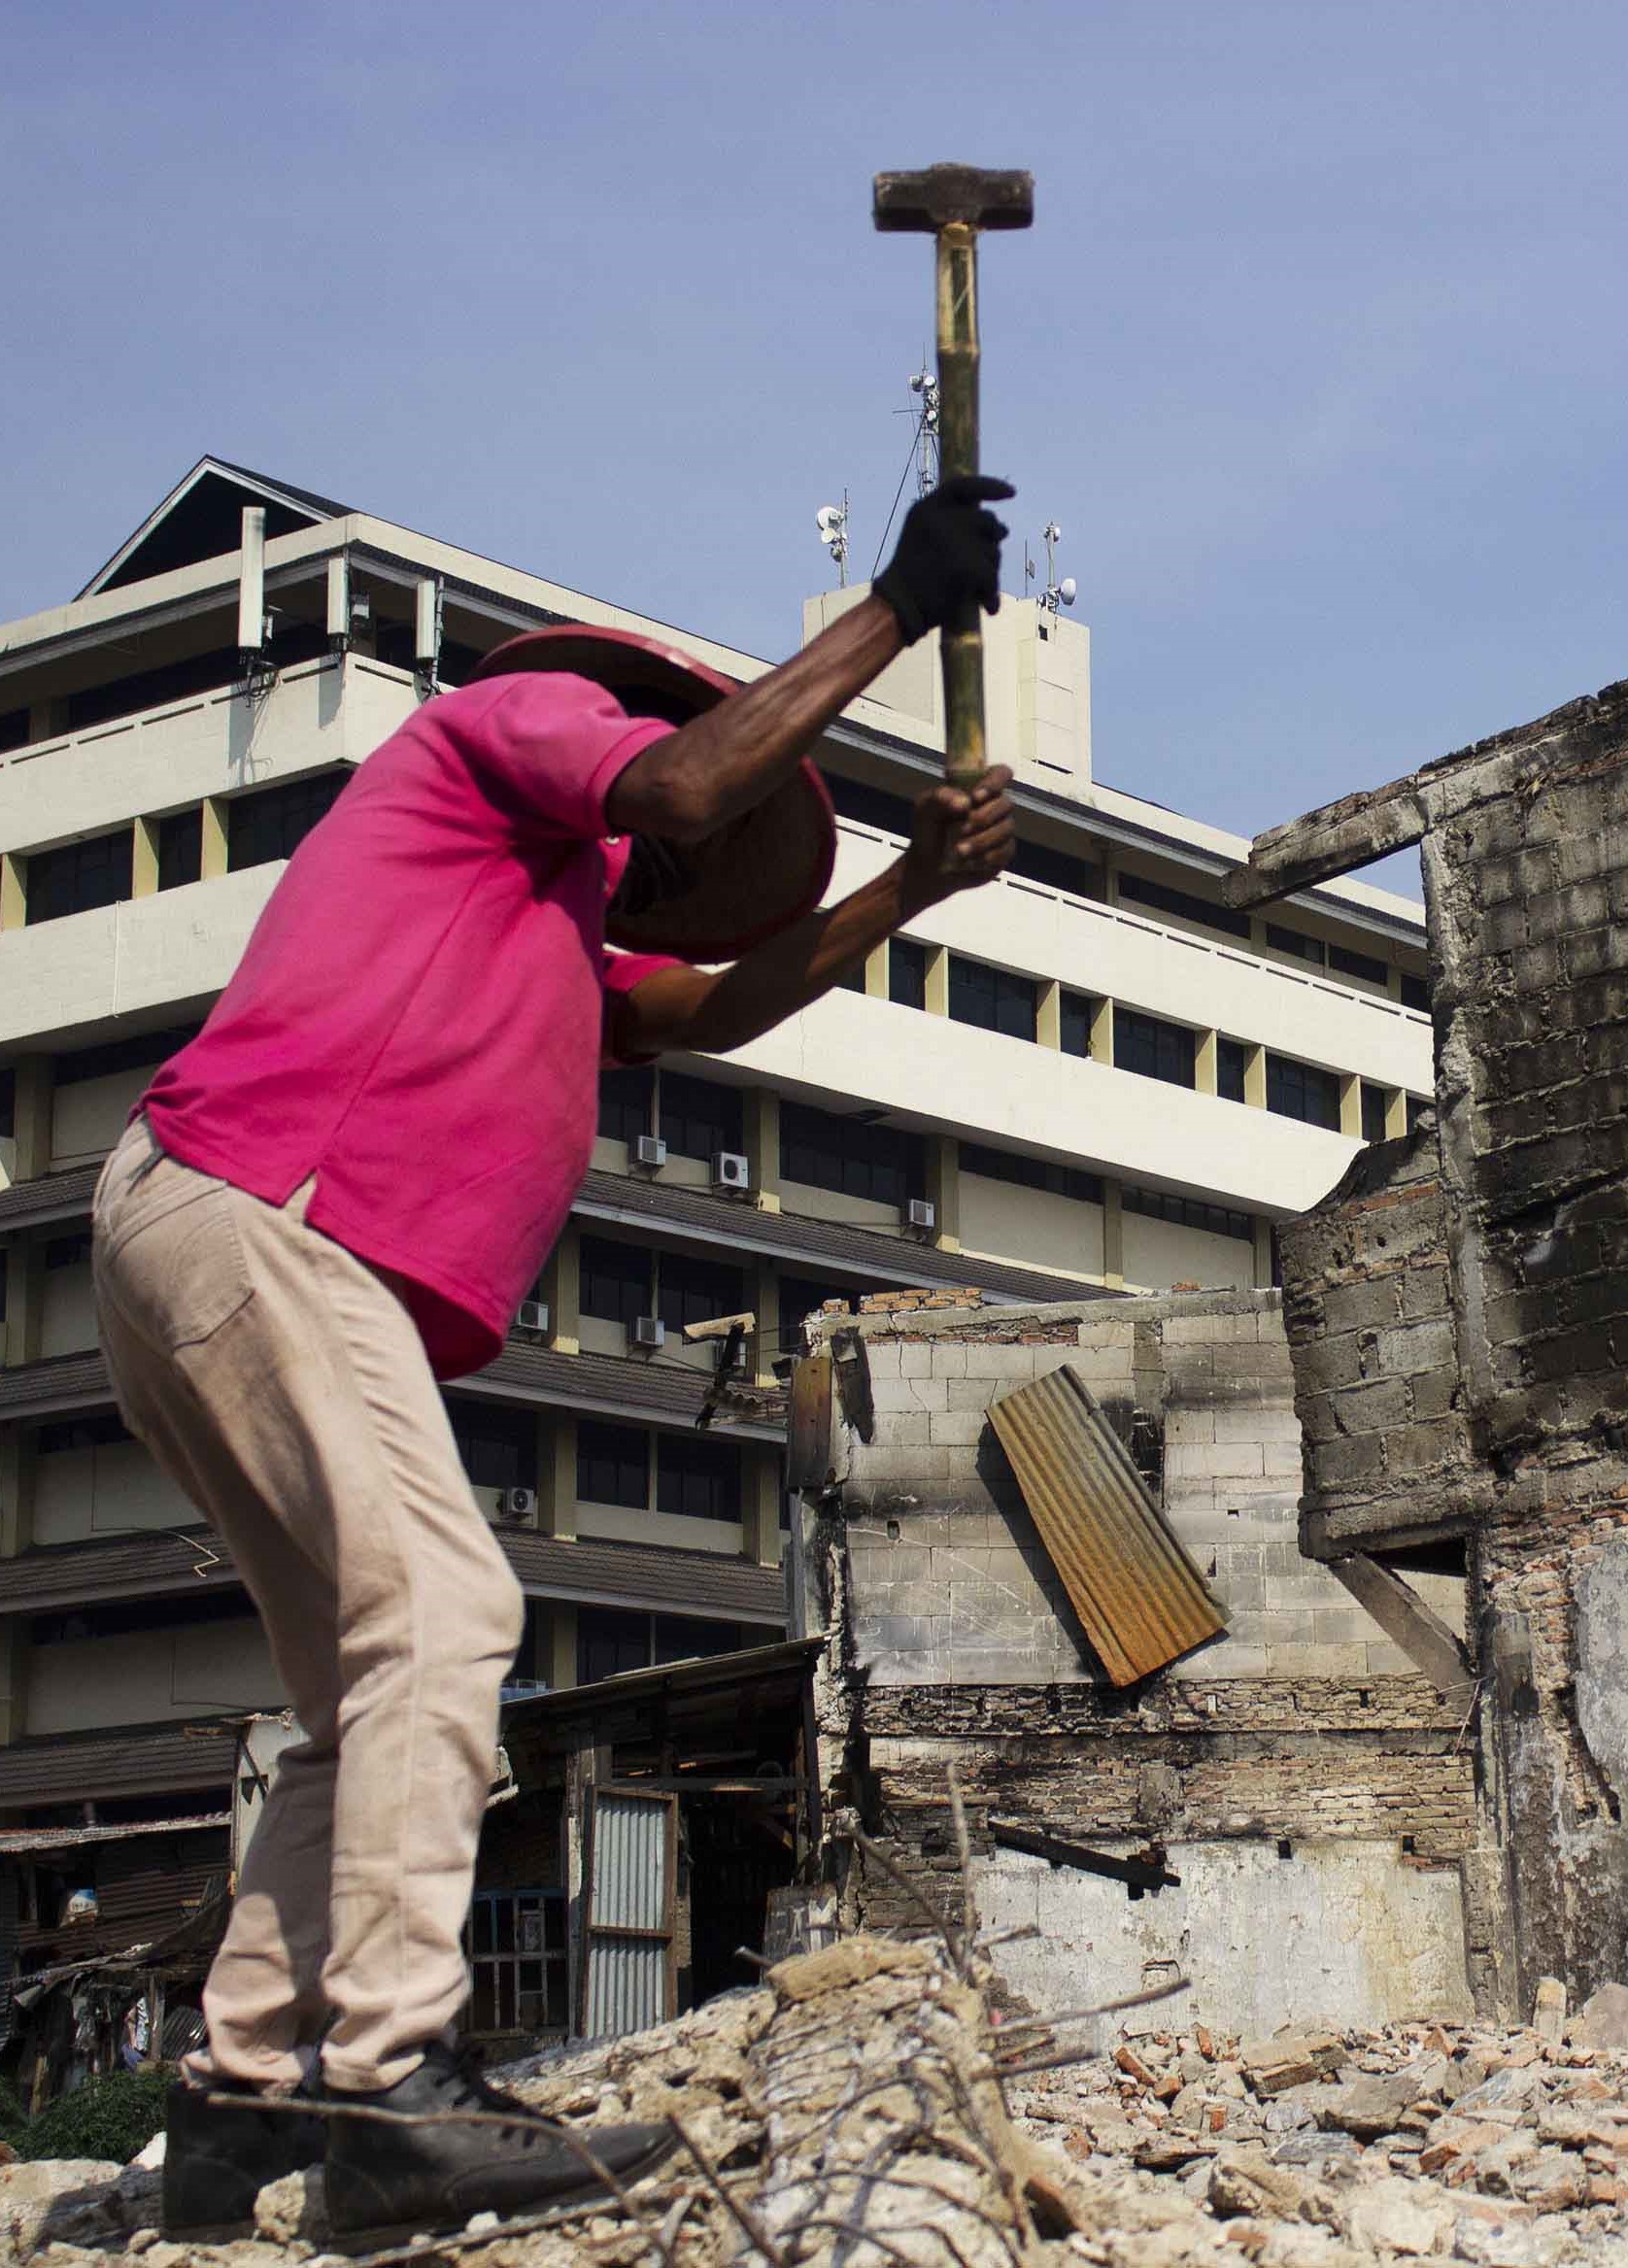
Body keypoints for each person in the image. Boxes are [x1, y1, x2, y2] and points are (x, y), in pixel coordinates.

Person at [98, 477, 1017, 2243]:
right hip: (267, 1211)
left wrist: (908, 878)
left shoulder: (545, 926)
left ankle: (233, 2106)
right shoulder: (504, 727)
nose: (676, 841)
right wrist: (899, 605)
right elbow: (678, 785)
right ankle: (388, 2087)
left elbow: (717, 1004)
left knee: (350, 1709)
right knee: (447, 1625)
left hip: (224, 1238)